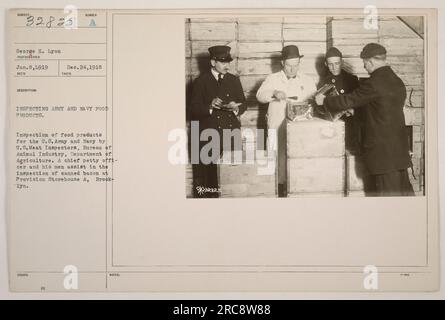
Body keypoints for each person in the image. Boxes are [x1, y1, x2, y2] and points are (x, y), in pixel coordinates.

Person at [315, 43, 414, 196]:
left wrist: (325, 101)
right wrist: (356, 112)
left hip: (384, 157)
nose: (365, 67)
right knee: (405, 197)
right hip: (399, 153)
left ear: (371, 62)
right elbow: (381, 110)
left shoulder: (374, 83)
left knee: (388, 202)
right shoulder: (396, 81)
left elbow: (350, 99)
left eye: (365, 64)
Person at [256, 45, 317, 196]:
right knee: (278, 159)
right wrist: (274, 92)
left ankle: (299, 188)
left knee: (299, 160)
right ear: (282, 63)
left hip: (300, 129)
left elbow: (314, 102)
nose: (292, 69)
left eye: (296, 65)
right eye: (289, 65)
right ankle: (279, 189)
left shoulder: (307, 80)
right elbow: (260, 95)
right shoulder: (273, 79)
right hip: (277, 126)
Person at [190, 45, 246, 198]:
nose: (227, 66)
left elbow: (243, 103)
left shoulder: (234, 80)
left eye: (228, 62)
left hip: (230, 136)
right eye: (223, 62)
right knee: (210, 181)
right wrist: (209, 106)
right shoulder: (201, 81)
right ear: (213, 62)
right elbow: (193, 109)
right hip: (209, 137)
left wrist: (236, 108)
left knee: (231, 180)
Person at [319, 46, 361, 153]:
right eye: (330, 64)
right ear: (326, 64)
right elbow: (320, 108)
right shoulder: (323, 82)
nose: (334, 67)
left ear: (341, 62)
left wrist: (353, 110)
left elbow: (360, 102)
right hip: (332, 127)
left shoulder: (352, 79)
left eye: (337, 63)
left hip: (350, 125)